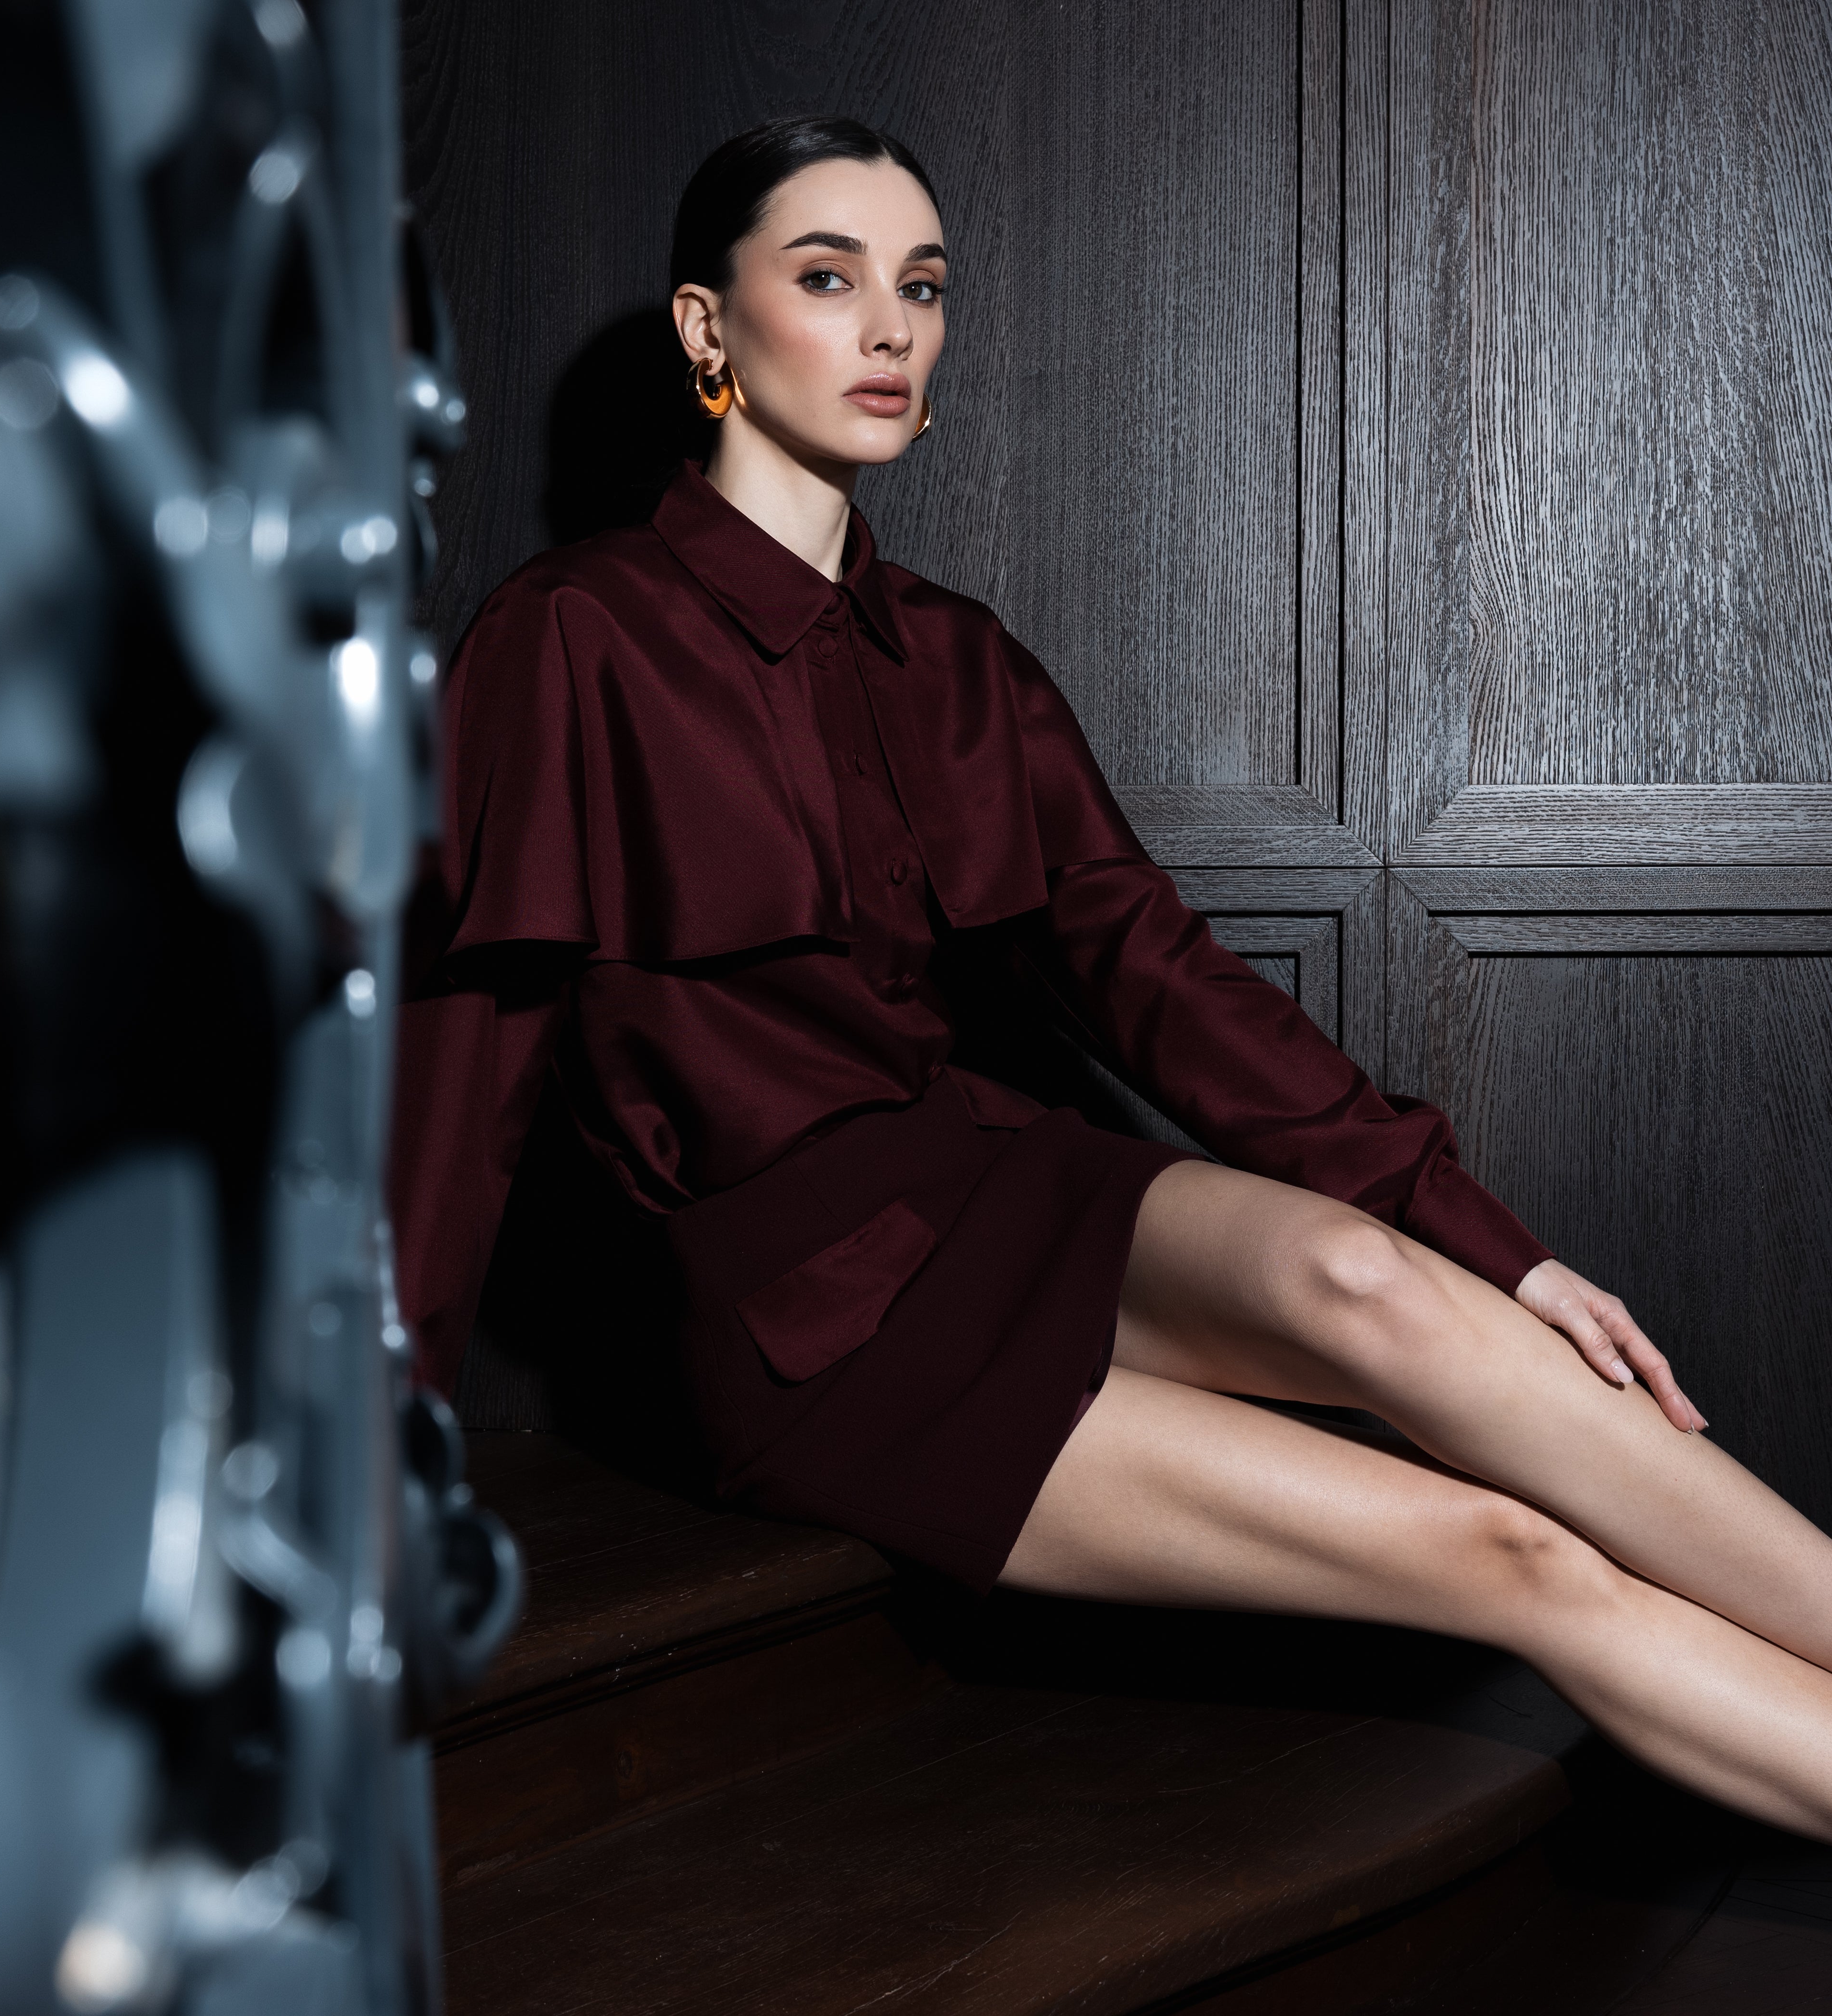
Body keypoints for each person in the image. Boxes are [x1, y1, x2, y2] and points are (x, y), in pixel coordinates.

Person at [391, 115, 1832, 1841]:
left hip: (992, 1180)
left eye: (923, 286)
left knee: (1371, 1282)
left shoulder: (960, 659)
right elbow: (459, 1072)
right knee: (1516, 1554)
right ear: (710, 327)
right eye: (828, 279)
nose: (891, 328)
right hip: (803, 1319)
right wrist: (371, 1455)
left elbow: (1162, 980)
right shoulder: (569, 636)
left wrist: (1497, 1249)